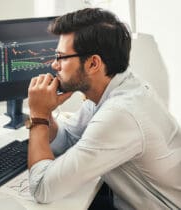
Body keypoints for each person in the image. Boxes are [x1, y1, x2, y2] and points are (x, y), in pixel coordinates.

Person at [27, 8, 181, 209]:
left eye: (61, 57)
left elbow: (42, 189)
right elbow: (68, 141)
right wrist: (45, 112)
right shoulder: (111, 88)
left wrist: (37, 116)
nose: (54, 65)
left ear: (93, 63)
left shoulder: (120, 113)